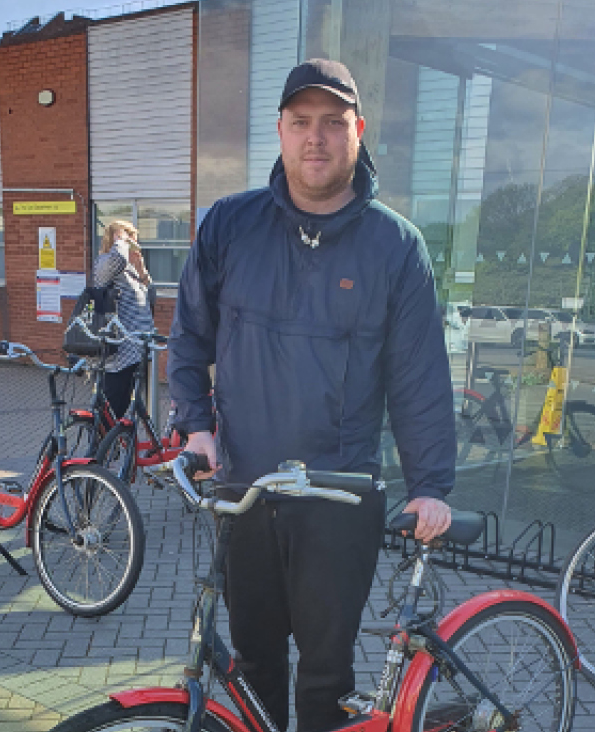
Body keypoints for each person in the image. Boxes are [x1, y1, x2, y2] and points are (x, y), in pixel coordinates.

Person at [169, 58, 456, 732]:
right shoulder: (229, 227)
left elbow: (419, 377)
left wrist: (431, 484)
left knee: (327, 671)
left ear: (358, 131)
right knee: (254, 659)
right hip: (245, 488)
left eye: (333, 123)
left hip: (340, 496)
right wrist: (195, 424)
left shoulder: (396, 247)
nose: (316, 138)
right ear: (280, 130)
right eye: (301, 122)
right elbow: (188, 338)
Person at [87, 220, 154, 422]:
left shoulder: (130, 272)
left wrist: (141, 270)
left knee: (129, 411)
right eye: (128, 236)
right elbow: (115, 260)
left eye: (133, 236)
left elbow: (150, 297)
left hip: (139, 350)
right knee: (111, 413)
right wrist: (121, 242)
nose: (134, 241)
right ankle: (102, 452)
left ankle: (121, 447)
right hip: (119, 356)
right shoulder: (105, 264)